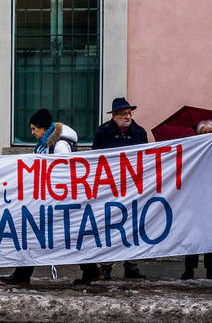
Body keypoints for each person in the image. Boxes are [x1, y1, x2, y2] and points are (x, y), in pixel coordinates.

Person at [0, 108, 78, 285]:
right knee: (38, 234)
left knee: (62, 235)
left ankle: (90, 269)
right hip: (45, 198)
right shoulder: (46, 143)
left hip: (56, 200)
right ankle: (22, 275)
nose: (32, 132)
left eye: (34, 129)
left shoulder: (59, 145)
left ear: (43, 128)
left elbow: (63, 171)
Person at [75, 97, 148, 285]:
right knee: (111, 225)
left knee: (132, 225)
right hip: (110, 187)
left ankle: (131, 264)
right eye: (123, 114)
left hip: (132, 186)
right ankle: (106, 266)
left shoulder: (139, 133)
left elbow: (145, 157)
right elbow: (95, 157)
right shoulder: (103, 133)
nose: (127, 117)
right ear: (114, 117)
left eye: (129, 113)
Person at [180, 120, 212, 280]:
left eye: (210, 133)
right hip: (193, 200)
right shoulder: (191, 153)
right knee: (192, 236)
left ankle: (211, 269)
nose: (206, 136)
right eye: (203, 133)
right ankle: (189, 269)